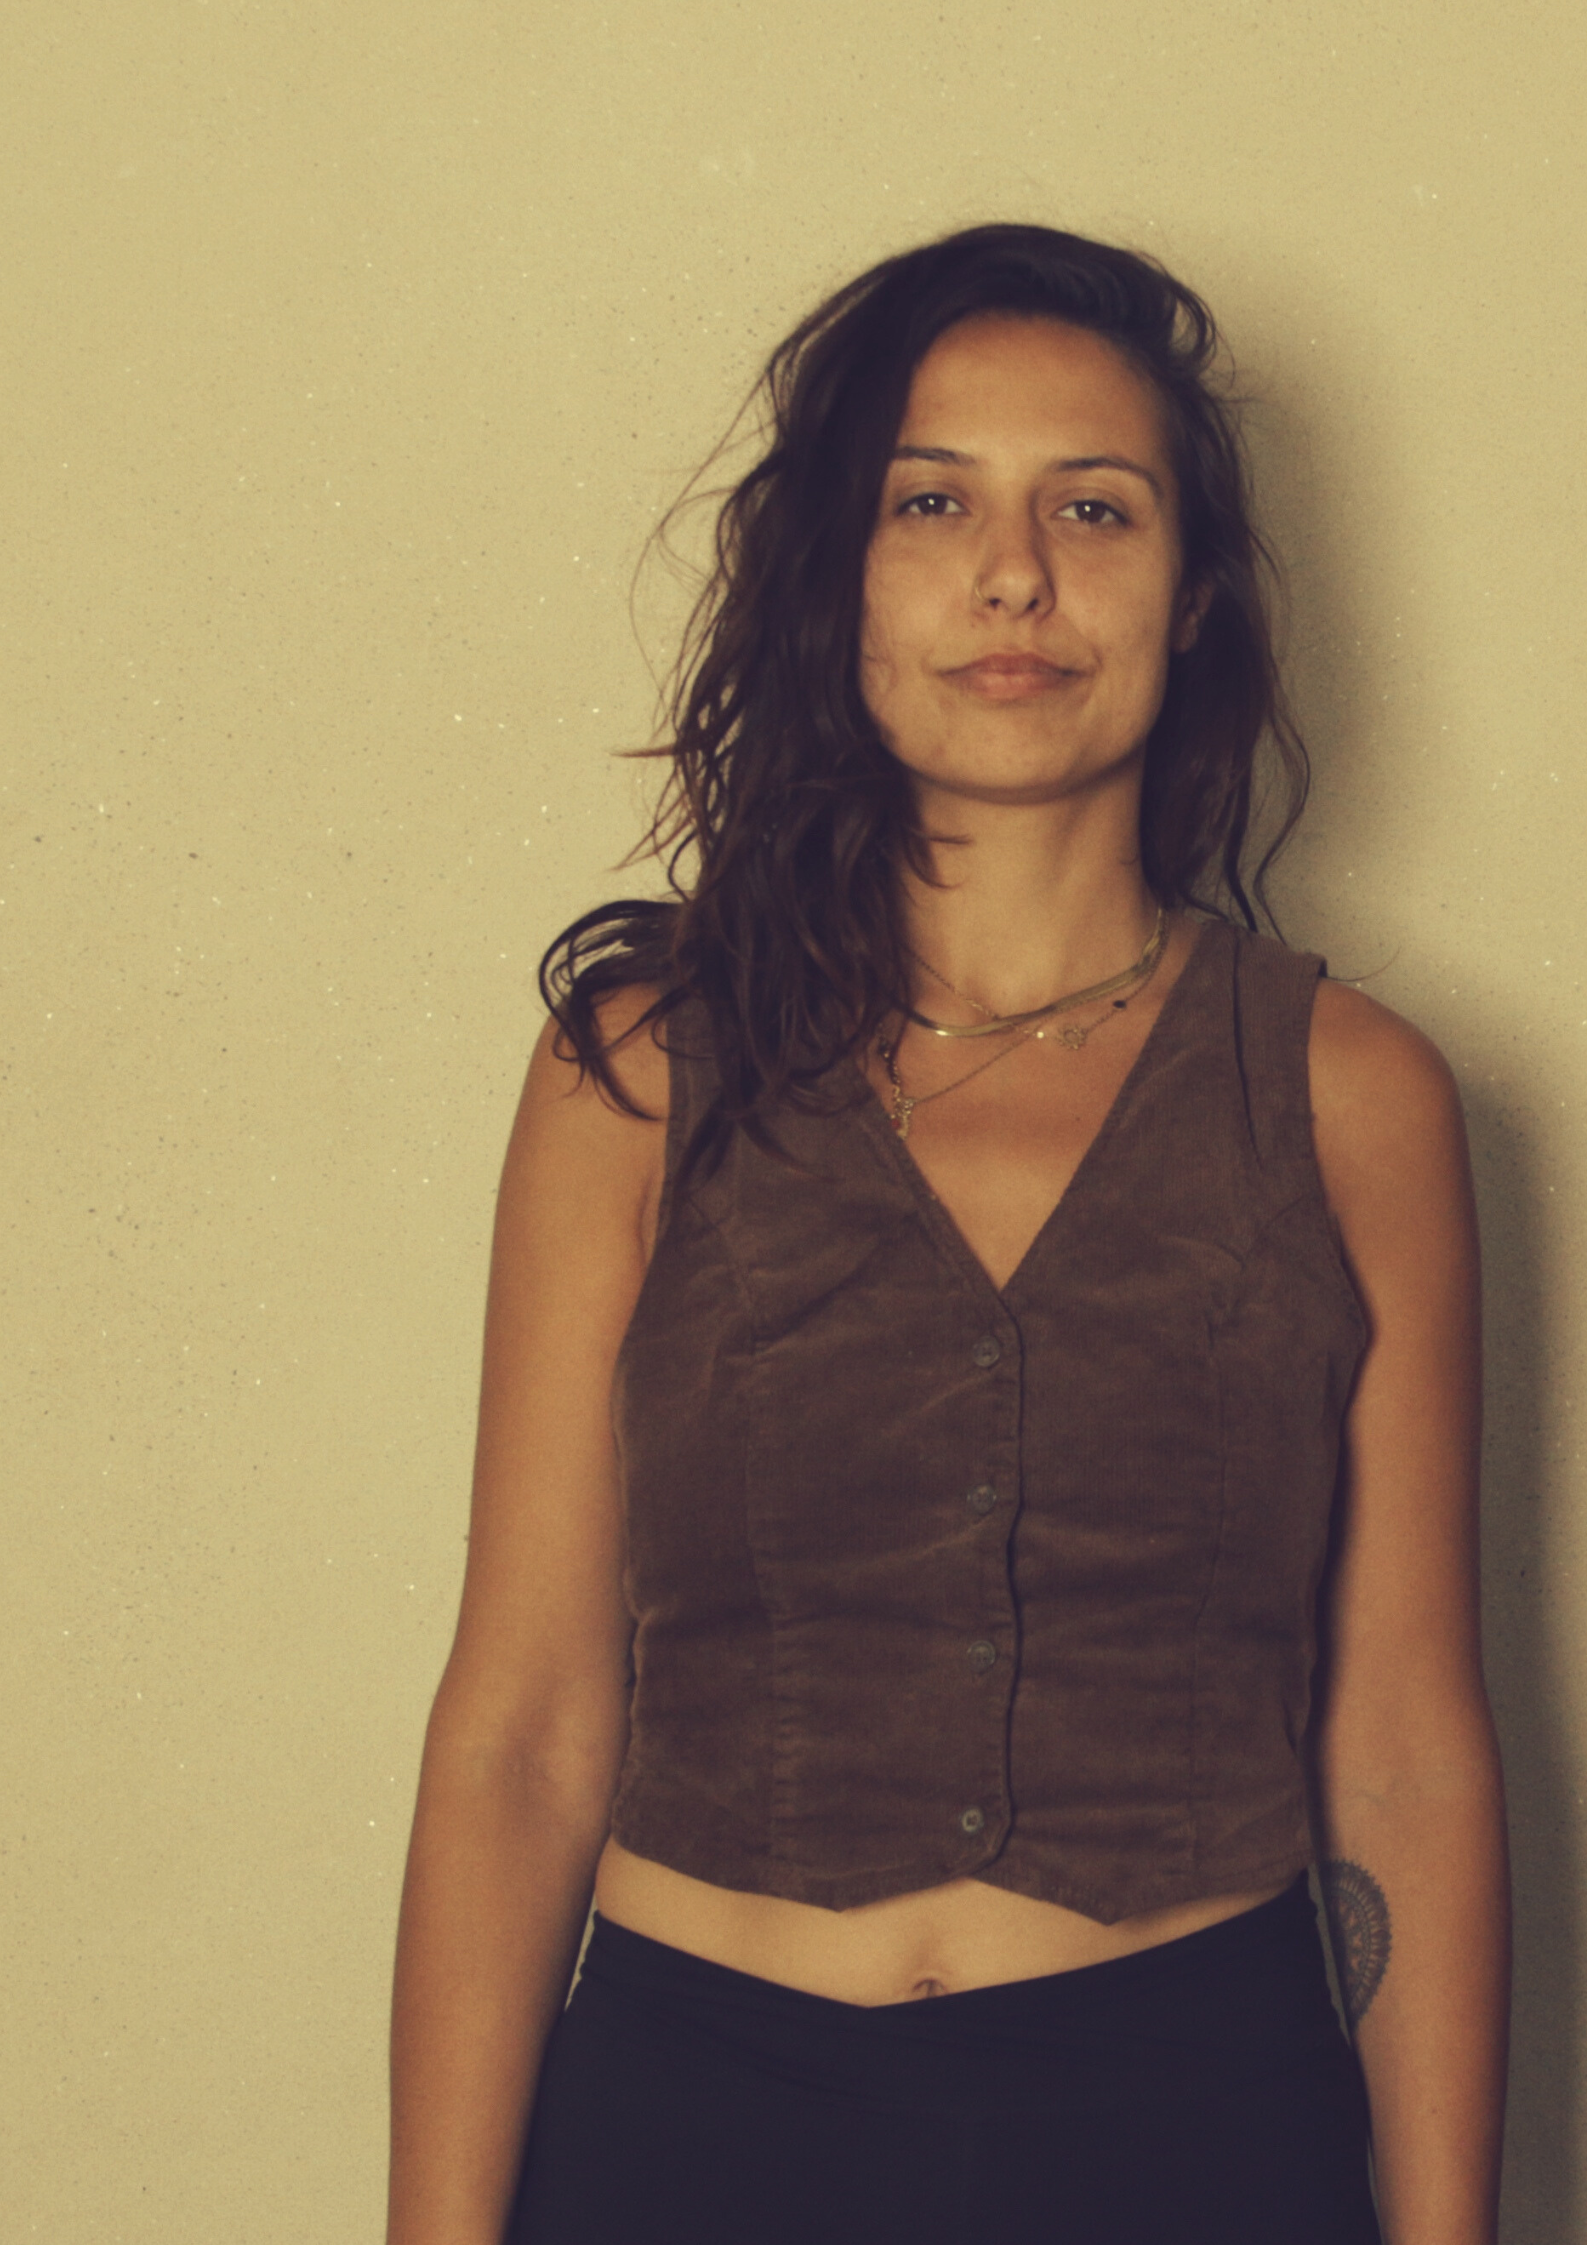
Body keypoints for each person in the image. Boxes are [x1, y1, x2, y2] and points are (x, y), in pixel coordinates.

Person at [385, 225, 1510, 2245]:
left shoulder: (1355, 1096)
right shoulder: (636, 1074)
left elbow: (1408, 1748)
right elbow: (524, 1730)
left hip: (1194, 2118)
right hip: (686, 2117)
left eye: (1094, 506)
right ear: (837, 582)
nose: (1014, 576)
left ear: (1195, 600)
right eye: (932, 502)